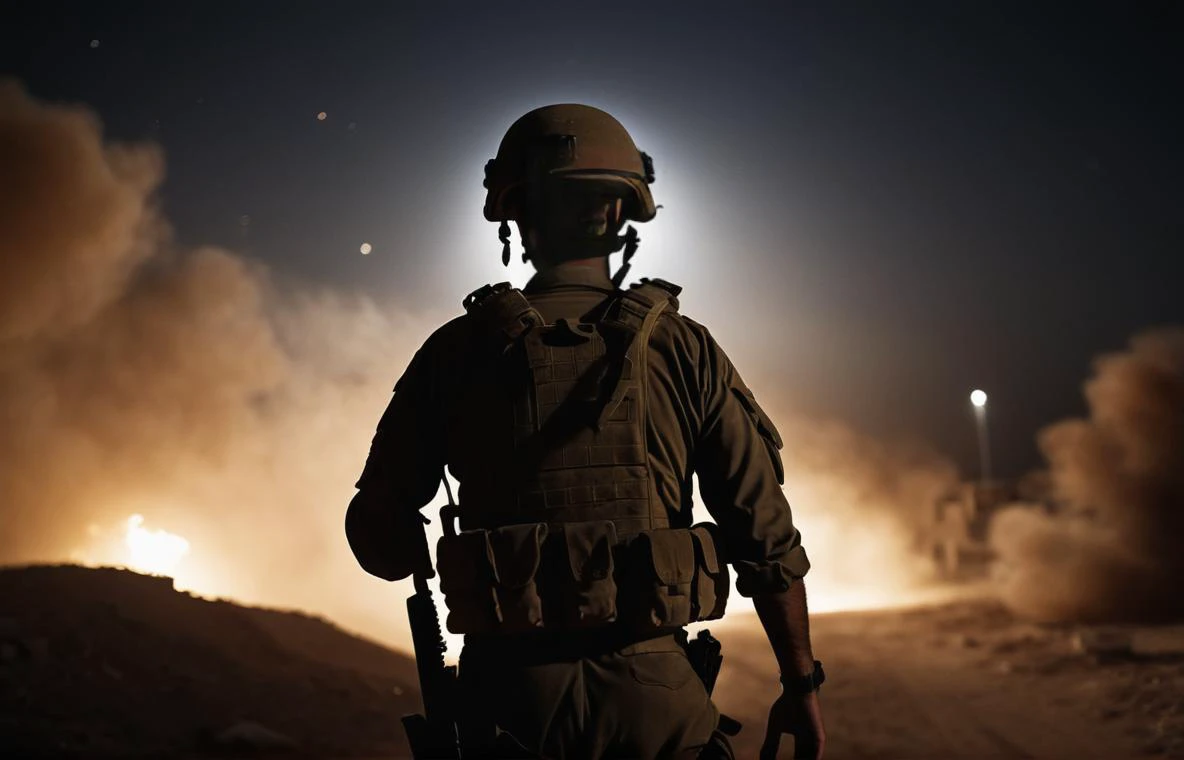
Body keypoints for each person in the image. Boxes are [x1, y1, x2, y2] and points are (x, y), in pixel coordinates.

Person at [346, 104, 826, 760]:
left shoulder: (454, 354)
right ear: (619, 214)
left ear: (515, 217)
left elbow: (382, 545)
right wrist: (801, 684)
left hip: (508, 707)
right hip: (656, 701)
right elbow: (765, 543)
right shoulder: (686, 350)